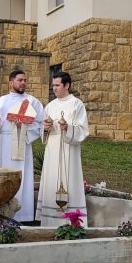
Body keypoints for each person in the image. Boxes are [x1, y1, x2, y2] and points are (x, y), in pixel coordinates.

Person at [0, 69, 44, 223]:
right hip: (4, 143)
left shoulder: (32, 102)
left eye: (25, 80)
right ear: (11, 82)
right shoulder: (0, 101)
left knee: (22, 176)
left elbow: (41, 124)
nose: (23, 83)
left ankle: (23, 215)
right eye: (20, 80)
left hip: (22, 143)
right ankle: (1, 212)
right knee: (2, 175)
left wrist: (24, 128)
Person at [37, 72, 89, 226]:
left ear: (67, 85)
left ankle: (71, 220)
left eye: (57, 85)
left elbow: (83, 130)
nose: (54, 88)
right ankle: (49, 221)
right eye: (53, 85)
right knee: (52, 179)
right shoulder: (50, 106)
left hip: (69, 151)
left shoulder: (76, 104)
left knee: (70, 180)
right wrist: (45, 128)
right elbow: (43, 132)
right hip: (52, 150)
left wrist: (68, 128)